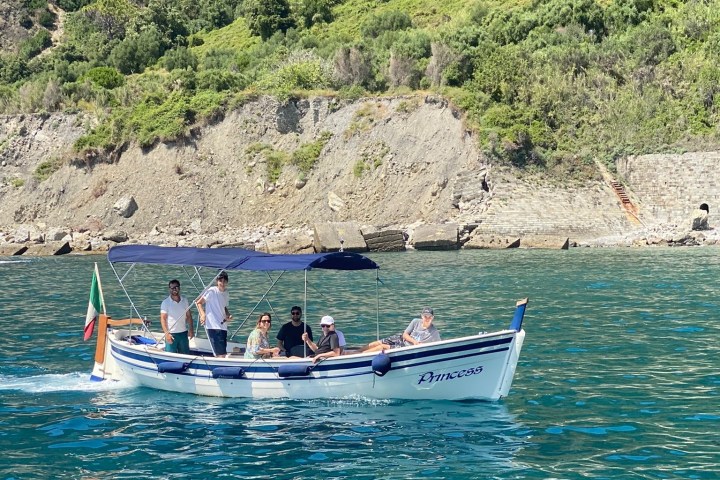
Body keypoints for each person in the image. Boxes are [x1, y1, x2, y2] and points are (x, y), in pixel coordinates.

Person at [362, 307, 441, 352]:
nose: (427, 319)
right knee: (378, 343)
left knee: (382, 347)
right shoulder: (415, 321)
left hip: (406, 347)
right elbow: (405, 334)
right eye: (425, 316)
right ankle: (358, 351)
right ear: (421, 316)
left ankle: (361, 355)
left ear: (432, 318)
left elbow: (438, 346)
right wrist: (414, 341)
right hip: (402, 338)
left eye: (429, 317)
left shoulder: (434, 332)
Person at [196, 271, 232, 357]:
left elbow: (224, 307)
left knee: (223, 351)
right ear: (217, 281)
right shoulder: (211, 291)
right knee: (220, 354)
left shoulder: (226, 293)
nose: (222, 283)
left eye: (224, 281)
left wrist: (228, 315)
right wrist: (203, 315)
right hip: (213, 326)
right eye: (220, 281)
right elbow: (199, 303)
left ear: (227, 282)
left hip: (223, 326)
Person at [160, 279, 194, 354]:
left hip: (183, 333)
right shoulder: (165, 303)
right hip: (171, 334)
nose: (174, 289)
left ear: (179, 288)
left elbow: (189, 316)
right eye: (172, 288)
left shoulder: (185, 301)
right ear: (169, 289)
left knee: (185, 355)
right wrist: (167, 334)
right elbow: (163, 319)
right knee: (170, 356)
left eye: (176, 287)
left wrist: (191, 329)